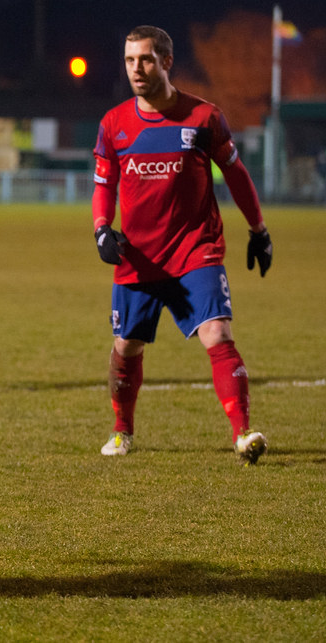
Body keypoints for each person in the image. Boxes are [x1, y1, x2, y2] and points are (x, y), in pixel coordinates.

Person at [91, 25, 273, 465]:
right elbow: (104, 184)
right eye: (130, 59)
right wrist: (101, 227)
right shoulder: (114, 124)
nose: (137, 68)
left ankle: (243, 433)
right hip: (139, 255)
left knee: (218, 332)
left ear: (167, 62)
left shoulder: (204, 117)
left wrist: (258, 229)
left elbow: (236, 175)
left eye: (146, 59)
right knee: (125, 347)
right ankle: (122, 430)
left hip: (196, 250)